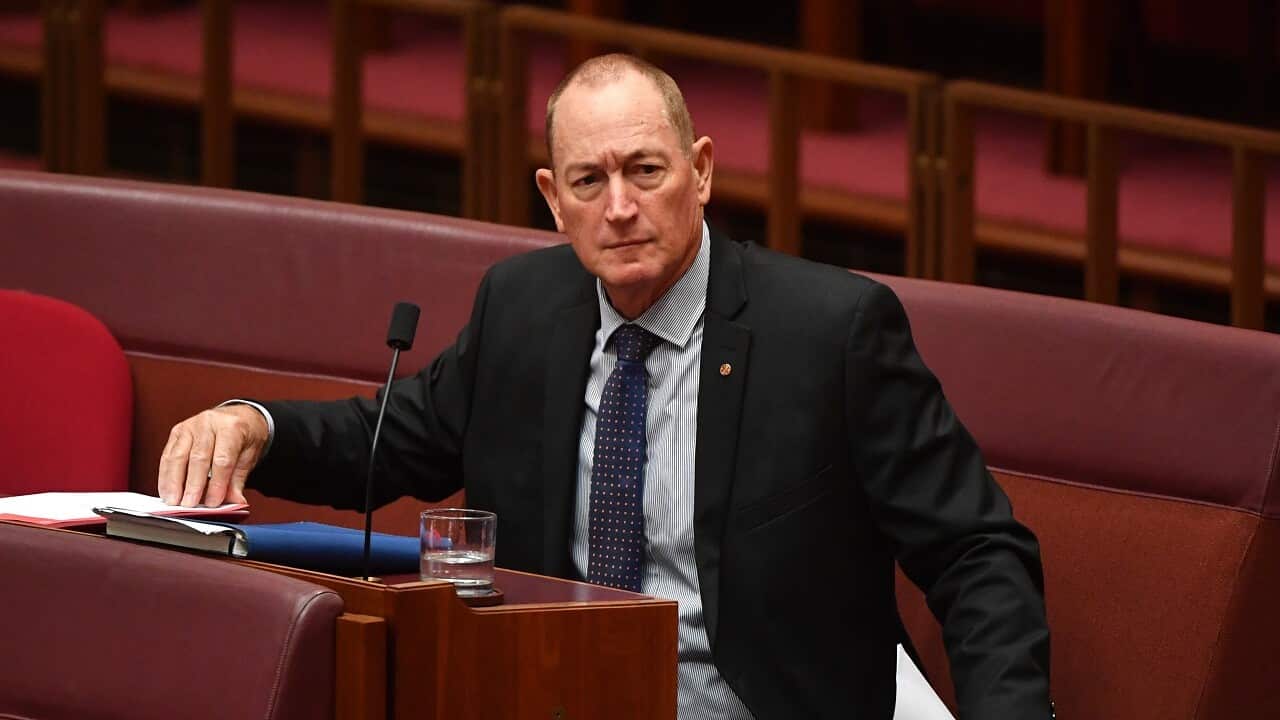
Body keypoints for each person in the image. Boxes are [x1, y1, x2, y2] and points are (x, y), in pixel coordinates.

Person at [158, 54, 1052, 719]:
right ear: (554, 198)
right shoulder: (523, 307)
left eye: (646, 171)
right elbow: (399, 437)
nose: (619, 206)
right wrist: (256, 425)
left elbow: (976, 551)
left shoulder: (830, 333)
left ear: (700, 171)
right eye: (589, 180)